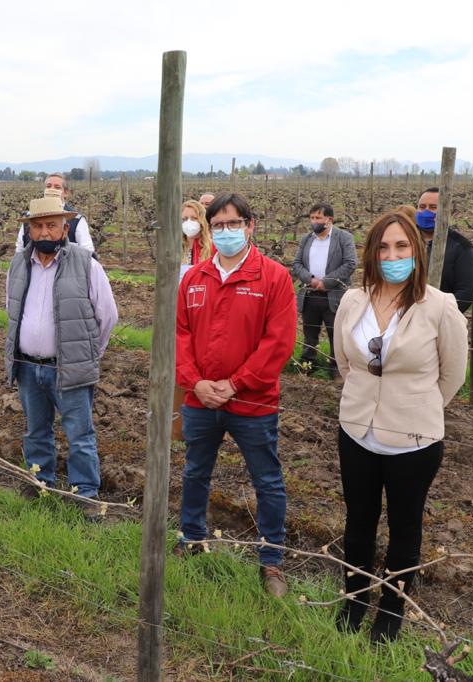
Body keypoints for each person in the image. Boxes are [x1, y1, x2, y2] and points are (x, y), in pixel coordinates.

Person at [332, 210, 467, 643]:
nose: (392, 255)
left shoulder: (439, 306)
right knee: (358, 521)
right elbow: (344, 362)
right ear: (372, 253)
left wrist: (415, 407)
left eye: (402, 246)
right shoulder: (353, 300)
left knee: (405, 528)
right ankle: (354, 601)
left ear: (416, 251)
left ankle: (390, 613)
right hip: (356, 431)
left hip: (413, 441)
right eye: (384, 247)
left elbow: (452, 376)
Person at [175, 192, 297, 597]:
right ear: (211, 229)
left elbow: (278, 344)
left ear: (250, 225)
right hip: (199, 400)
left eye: (235, 223)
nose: (227, 231)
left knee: (267, 480)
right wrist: (196, 383)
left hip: (252, 402)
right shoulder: (193, 278)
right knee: (195, 472)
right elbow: (180, 336)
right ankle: (191, 538)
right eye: (219, 225)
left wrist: (234, 384)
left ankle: (271, 560)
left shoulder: (274, 277)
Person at [5, 196, 118, 517]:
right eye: (37, 226)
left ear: (65, 228)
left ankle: (86, 495)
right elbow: (12, 310)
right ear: (29, 230)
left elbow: (107, 316)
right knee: (35, 431)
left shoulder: (86, 264)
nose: (44, 232)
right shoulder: (18, 265)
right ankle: (41, 483)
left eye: (51, 225)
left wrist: (88, 356)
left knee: (79, 434)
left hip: (69, 367)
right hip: (28, 367)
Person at [291, 202, 357, 379]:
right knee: (309, 334)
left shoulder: (343, 238)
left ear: (329, 220)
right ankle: (308, 367)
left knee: (336, 335)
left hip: (333, 296)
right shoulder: (307, 238)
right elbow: (297, 264)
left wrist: (326, 283)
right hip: (310, 294)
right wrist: (311, 280)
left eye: (318, 218)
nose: (314, 221)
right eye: (312, 218)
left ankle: (337, 371)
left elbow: (350, 263)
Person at [172, 199, 215, 440]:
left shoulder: (211, 250)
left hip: (202, 318)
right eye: (184, 218)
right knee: (179, 370)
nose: (188, 223)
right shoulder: (177, 248)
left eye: (193, 218)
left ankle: (203, 429)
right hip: (178, 316)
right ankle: (176, 429)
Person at [415, 187, 473, 312]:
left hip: (441, 321)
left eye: (433, 207)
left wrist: (437, 314)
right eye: (422, 207)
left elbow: (466, 293)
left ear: (446, 211)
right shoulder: (404, 241)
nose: (426, 211)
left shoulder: (462, 248)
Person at [15, 173, 95, 254]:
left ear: (65, 193)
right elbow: (20, 249)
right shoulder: (30, 217)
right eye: (48, 186)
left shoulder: (77, 220)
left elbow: (88, 252)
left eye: (57, 187)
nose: (52, 190)